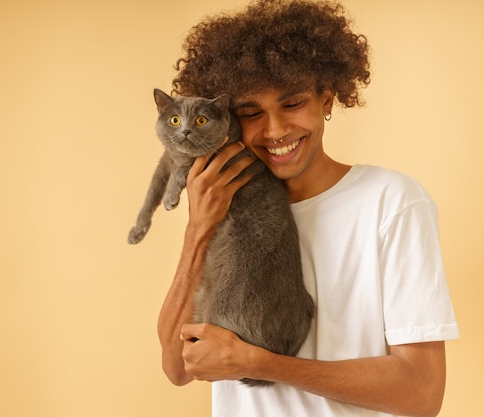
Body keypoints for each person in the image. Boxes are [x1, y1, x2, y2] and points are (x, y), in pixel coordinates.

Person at [156, 1, 459, 416]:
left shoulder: (391, 201)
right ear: (226, 117)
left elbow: (422, 394)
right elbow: (177, 368)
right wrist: (198, 230)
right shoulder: (220, 203)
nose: (276, 130)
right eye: (251, 113)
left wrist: (259, 364)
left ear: (327, 100)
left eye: (292, 103)